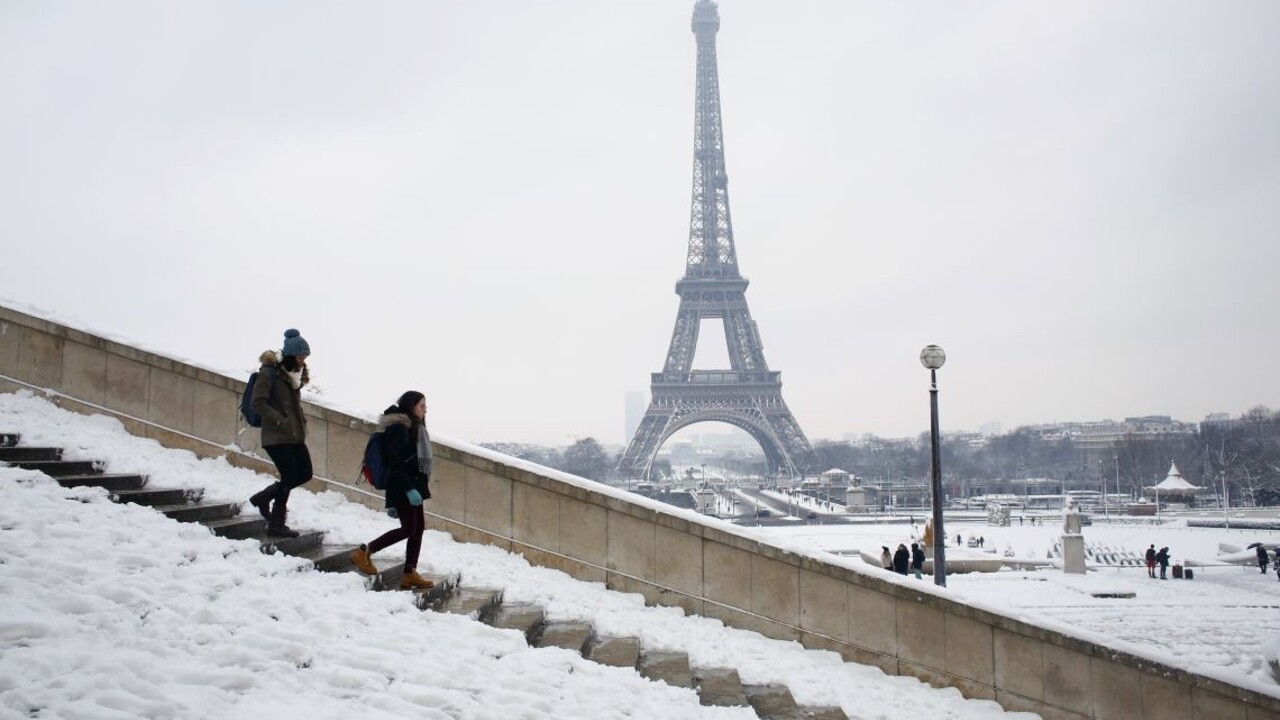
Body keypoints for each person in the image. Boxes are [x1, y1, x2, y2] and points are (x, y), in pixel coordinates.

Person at [351, 391, 435, 590]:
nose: (425, 409)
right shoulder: (398, 427)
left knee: (417, 528)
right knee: (408, 528)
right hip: (402, 485)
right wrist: (408, 489)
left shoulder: (415, 428)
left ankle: (409, 572)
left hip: (414, 484)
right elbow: (396, 462)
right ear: (410, 406)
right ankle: (364, 551)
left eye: (425, 405)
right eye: (421, 405)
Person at [247, 329, 313, 538]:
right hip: (276, 435)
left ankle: (263, 498)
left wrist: (299, 419)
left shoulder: (294, 376)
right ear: (291, 355)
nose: (303, 361)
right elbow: (258, 402)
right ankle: (276, 523)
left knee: (305, 473)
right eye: (300, 357)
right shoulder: (270, 372)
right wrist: (281, 420)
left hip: (294, 435)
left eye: (305, 357)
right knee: (290, 476)